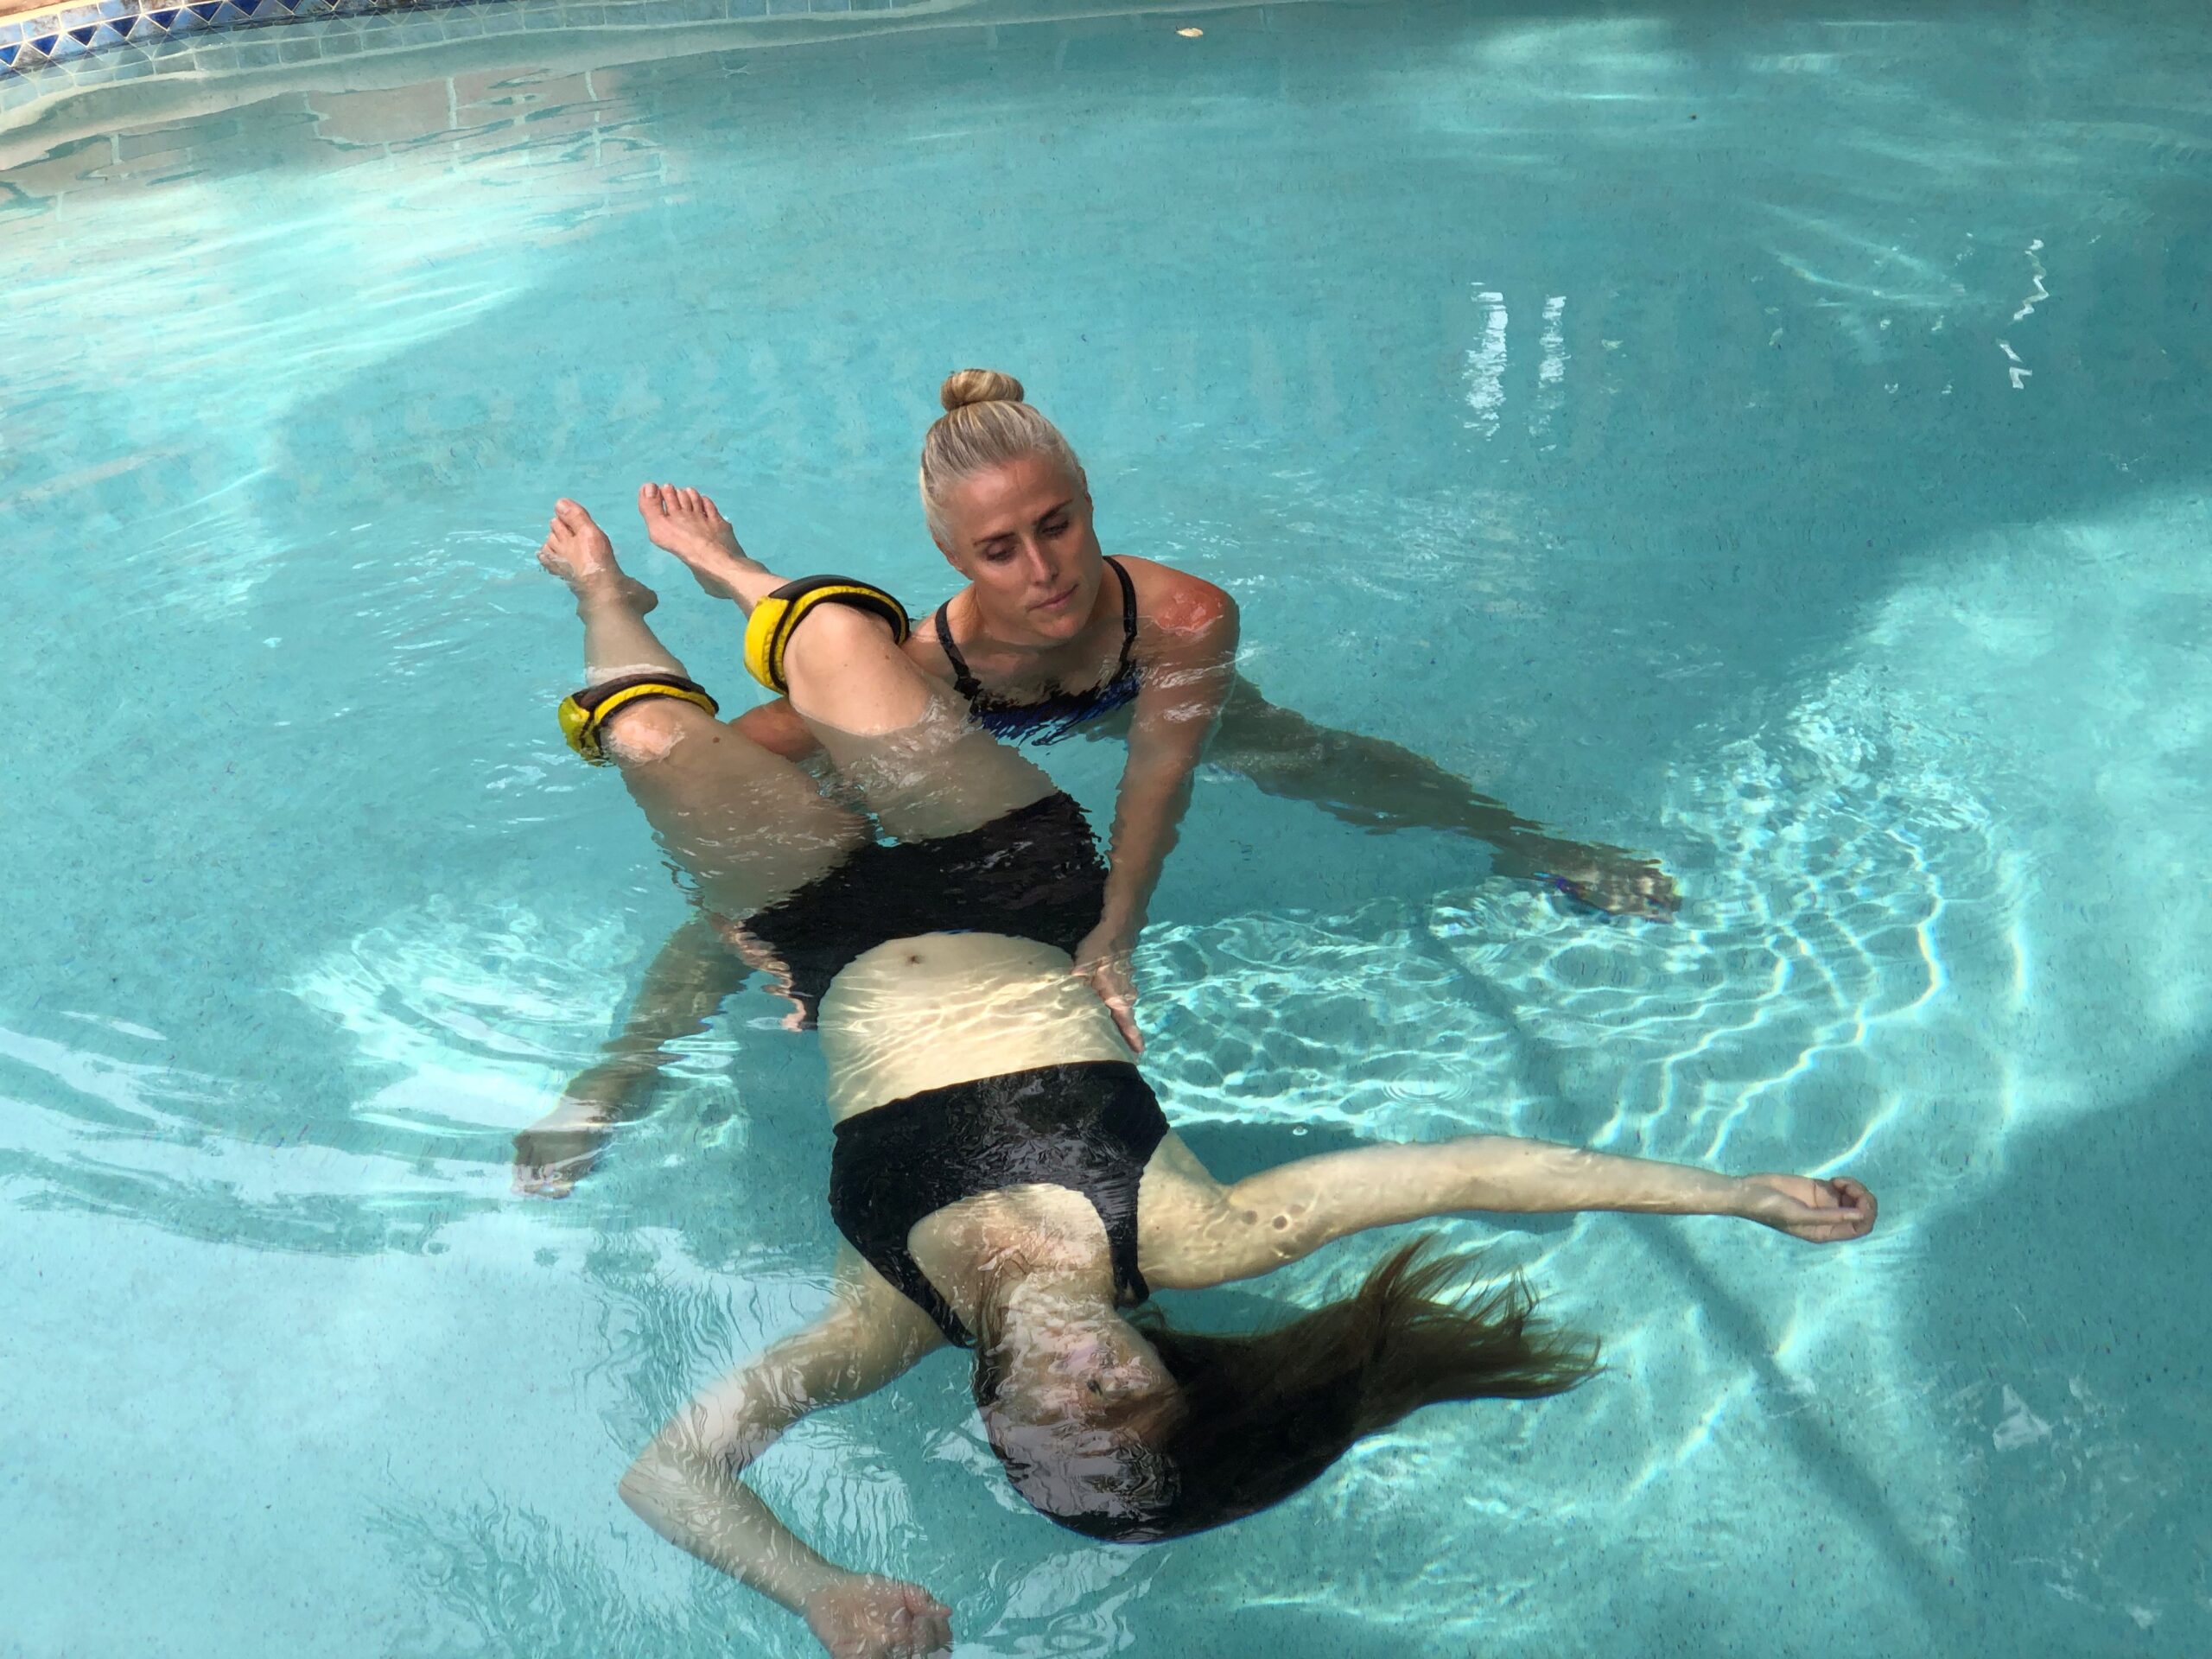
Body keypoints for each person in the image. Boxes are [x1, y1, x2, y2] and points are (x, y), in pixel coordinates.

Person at [522, 497, 1876, 1659]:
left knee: (646, 741)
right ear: (1158, 1353)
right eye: (1123, 1395)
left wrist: (822, 1593)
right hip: (1009, 875)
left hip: (819, 931)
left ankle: (605, 596)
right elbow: (1468, 1171)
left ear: (995, 1424)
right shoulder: (1191, 1233)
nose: (1079, 1388)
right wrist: (1734, 1195)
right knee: (833, 646)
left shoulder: (880, 1322)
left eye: (1058, 1428)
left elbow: (670, 1473)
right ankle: (745, 582)